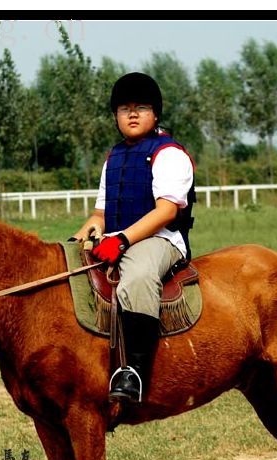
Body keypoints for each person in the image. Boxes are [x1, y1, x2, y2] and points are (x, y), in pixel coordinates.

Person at [71, 72, 196, 403]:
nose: (133, 114)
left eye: (141, 108)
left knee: (137, 276)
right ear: (116, 115)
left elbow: (166, 211)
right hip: (116, 238)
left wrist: (122, 241)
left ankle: (135, 371)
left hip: (161, 240)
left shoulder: (169, 154)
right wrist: (75, 240)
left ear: (155, 113)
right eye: (125, 109)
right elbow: (100, 214)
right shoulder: (113, 157)